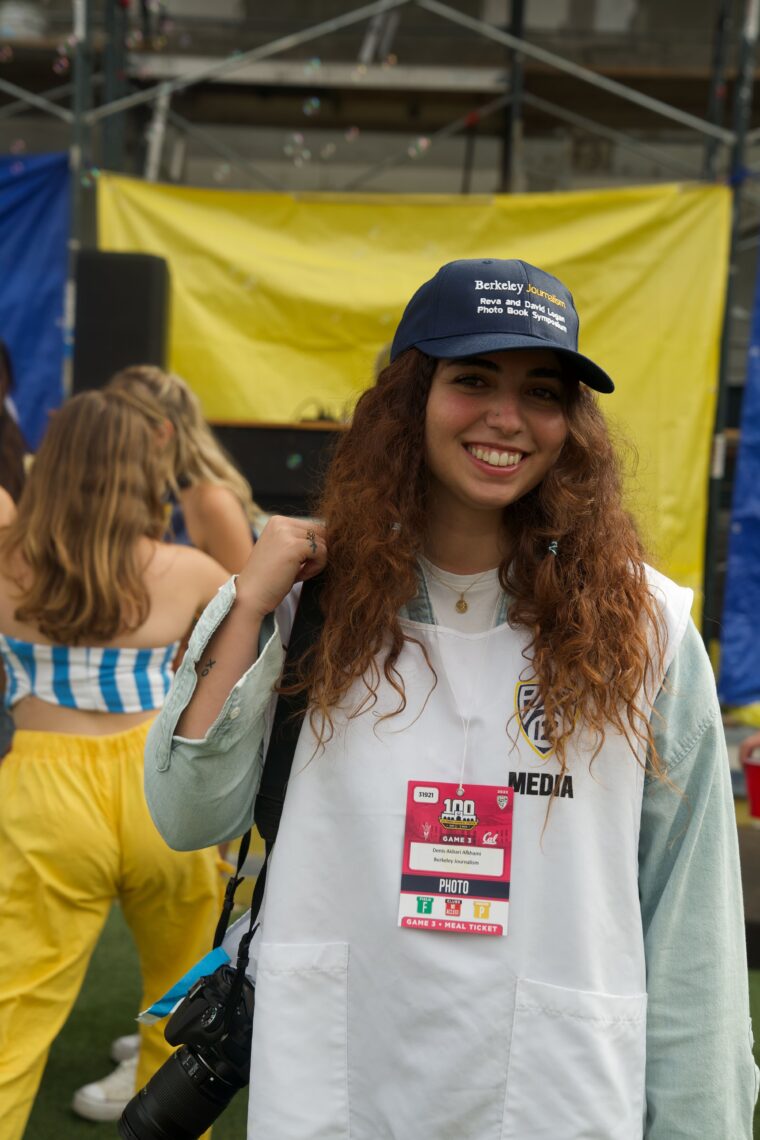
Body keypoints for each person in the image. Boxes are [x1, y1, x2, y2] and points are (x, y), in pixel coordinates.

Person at [145, 258, 758, 1139]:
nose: (507, 418)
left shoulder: (649, 629)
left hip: (562, 1097)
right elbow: (184, 813)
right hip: (335, 1088)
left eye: (541, 391)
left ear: (571, 424)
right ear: (408, 399)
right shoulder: (294, 599)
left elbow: (692, 926)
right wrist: (245, 604)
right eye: (472, 379)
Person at [0, 390, 229, 1138]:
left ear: (51, 463)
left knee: (15, 1005)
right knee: (182, 999)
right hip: (159, 784)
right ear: (146, 468)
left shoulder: (7, 562)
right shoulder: (190, 571)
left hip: (42, 788)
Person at [107, 364, 268, 572]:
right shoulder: (119, 497)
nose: (107, 436)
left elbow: (249, 597)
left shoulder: (211, 502)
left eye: (118, 426)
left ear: (161, 434)